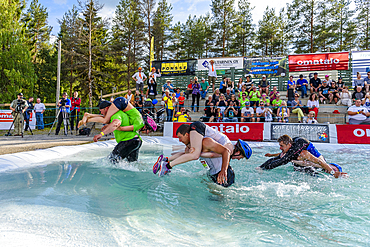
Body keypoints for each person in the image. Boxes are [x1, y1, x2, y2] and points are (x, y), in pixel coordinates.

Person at [153, 123, 252, 187]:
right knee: (194, 155)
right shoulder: (229, 147)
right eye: (240, 157)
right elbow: (226, 152)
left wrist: (201, 154)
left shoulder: (211, 144)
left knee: (191, 153)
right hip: (199, 127)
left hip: (199, 129)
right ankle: (167, 165)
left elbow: (212, 155)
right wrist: (224, 170)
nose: (238, 159)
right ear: (238, 152)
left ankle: (165, 160)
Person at [259, 135, 346, 178]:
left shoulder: (303, 152)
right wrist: (261, 167)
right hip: (305, 164)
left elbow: (282, 159)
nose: (280, 148)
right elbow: (281, 156)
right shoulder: (295, 149)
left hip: (313, 163)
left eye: (281, 146)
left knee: (314, 164)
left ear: (289, 144)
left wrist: (333, 173)